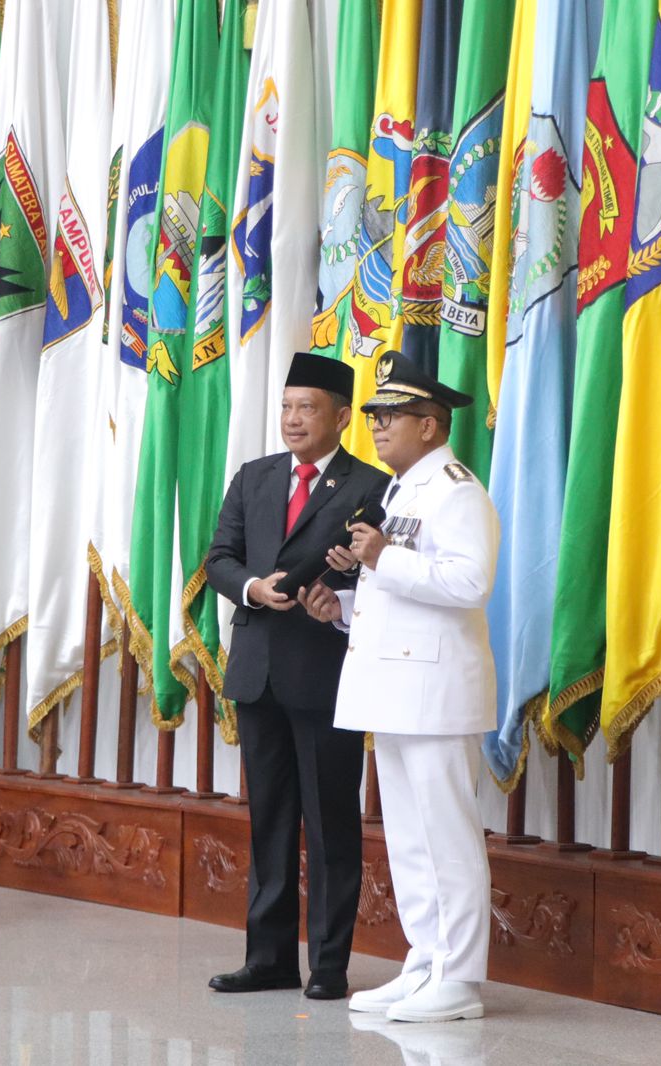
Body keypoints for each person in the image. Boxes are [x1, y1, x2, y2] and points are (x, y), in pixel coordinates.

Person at [300, 352, 499, 1023]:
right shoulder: (400, 492)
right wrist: (344, 608)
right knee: (410, 839)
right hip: (396, 687)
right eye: (375, 415)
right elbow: (399, 597)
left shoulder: (456, 490)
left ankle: (461, 977)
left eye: (392, 416)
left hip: (438, 691)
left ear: (432, 424)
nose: (378, 426)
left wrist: (384, 557)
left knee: (447, 836)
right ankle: (425, 961)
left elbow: (471, 584)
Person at [204, 352, 390, 1001]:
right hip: (257, 670)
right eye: (285, 407)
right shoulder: (253, 478)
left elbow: (369, 574)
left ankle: (331, 967)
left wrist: (329, 586)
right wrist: (253, 587)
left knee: (331, 820)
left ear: (341, 416)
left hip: (325, 671)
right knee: (271, 821)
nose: (291, 419)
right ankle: (269, 959)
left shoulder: (369, 486)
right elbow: (219, 559)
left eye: (306, 408)